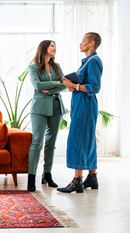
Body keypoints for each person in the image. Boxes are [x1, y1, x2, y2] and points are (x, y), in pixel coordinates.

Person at [58, 32, 103, 193]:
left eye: (83, 41)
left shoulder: (93, 61)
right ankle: (92, 177)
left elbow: (94, 87)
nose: (80, 43)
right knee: (87, 139)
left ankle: (77, 180)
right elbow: (84, 84)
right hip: (81, 104)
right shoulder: (87, 62)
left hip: (85, 105)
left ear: (91, 43)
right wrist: (72, 85)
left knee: (78, 139)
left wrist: (75, 85)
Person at [27, 40, 66, 192]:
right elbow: (37, 85)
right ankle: (31, 177)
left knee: (51, 142)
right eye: (52, 45)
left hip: (57, 106)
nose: (55, 48)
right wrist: (55, 84)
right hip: (39, 108)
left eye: (55, 45)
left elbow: (64, 84)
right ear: (44, 48)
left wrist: (50, 89)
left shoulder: (57, 66)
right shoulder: (34, 67)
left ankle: (47, 174)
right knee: (37, 141)